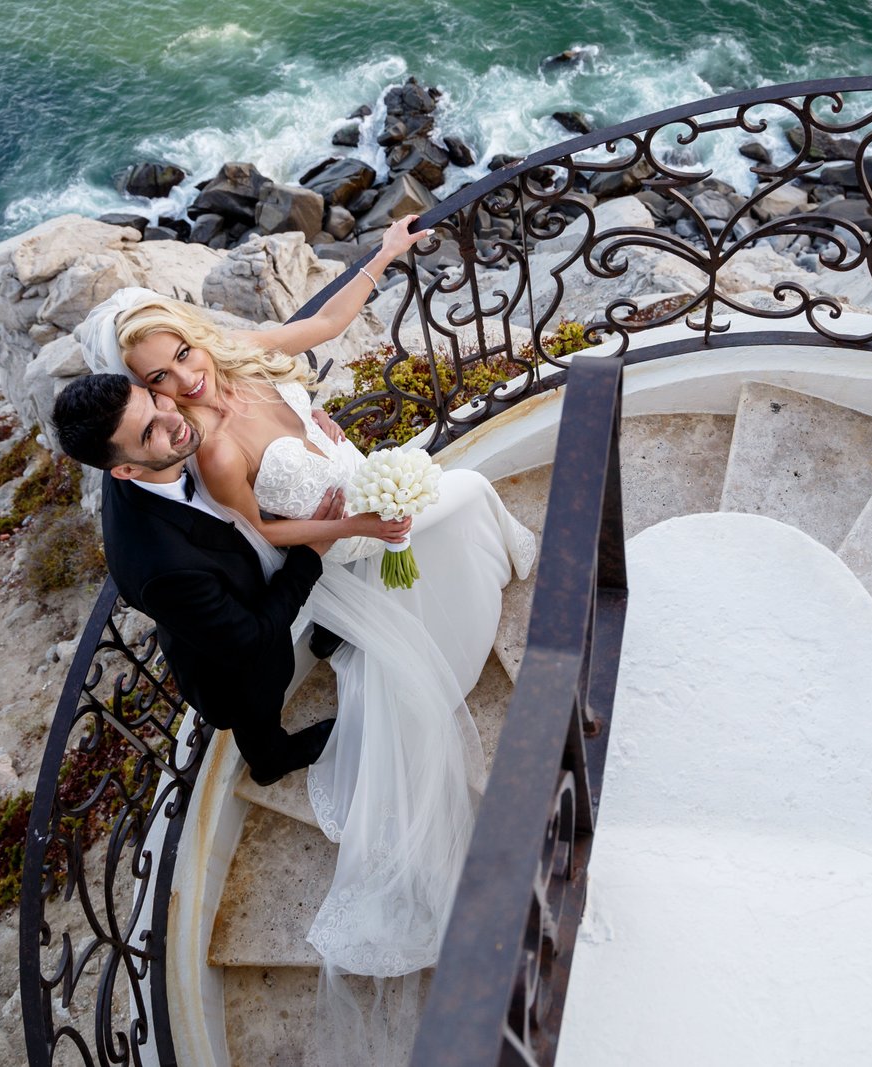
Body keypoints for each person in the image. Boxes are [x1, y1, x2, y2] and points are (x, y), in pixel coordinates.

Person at [73, 221, 536, 1062]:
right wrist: (360, 520)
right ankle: (436, 612)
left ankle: (449, 593)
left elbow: (321, 325)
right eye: (158, 379)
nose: (183, 376)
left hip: (356, 487)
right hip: (341, 529)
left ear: (189, 333)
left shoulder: (238, 356)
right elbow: (271, 531)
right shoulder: (208, 451)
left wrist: (387, 251)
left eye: (180, 353)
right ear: (144, 394)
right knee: (462, 490)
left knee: (451, 515)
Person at [50, 373, 340, 786]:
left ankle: (323, 635)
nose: (173, 417)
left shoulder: (131, 444)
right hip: (231, 666)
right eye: (151, 430)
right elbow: (251, 639)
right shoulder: (163, 567)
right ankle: (271, 761)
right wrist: (309, 554)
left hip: (219, 598)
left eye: (154, 399)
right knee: (258, 710)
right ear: (126, 468)